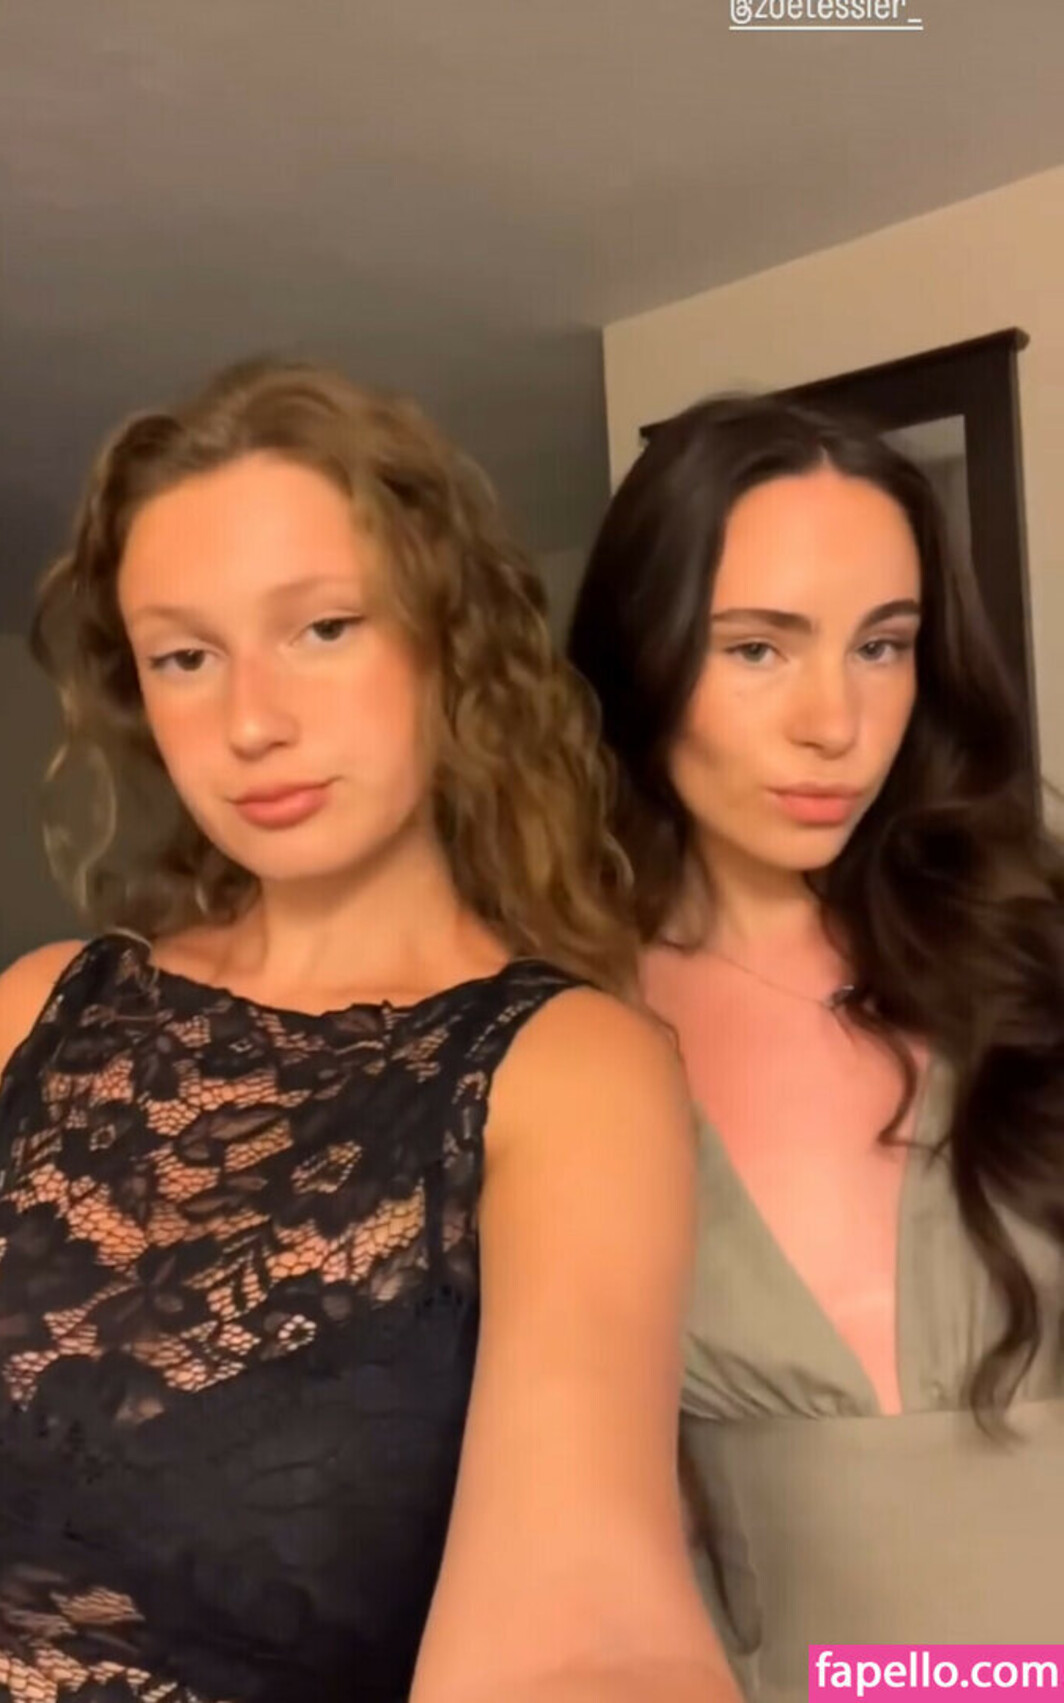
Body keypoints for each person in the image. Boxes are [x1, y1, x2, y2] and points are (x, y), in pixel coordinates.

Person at [0, 360, 736, 1703]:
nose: (252, 722)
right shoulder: (37, 1010)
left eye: (323, 627)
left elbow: (588, 1628)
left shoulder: (564, 1072)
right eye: (185, 656)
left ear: (448, 642)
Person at [567, 393, 1064, 1702]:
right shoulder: (556, 1038)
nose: (835, 721)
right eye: (757, 648)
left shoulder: (1033, 956)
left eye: (883, 646)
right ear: (641, 658)